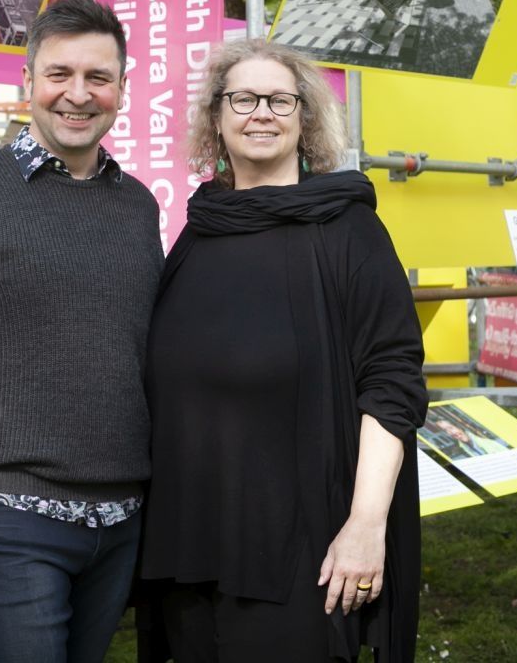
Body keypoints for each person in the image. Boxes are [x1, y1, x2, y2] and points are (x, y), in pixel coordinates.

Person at [140, 39, 428, 662]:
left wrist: (366, 524)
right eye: (243, 99)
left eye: (280, 100)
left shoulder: (347, 228)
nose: (261, 114)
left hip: (299, 545)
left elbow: (392, 383)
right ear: (217, 116)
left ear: (305, 118)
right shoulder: (201, 227)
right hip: (190, 540)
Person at [0, 0, 163, 663]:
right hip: (11, 517)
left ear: (122, 87)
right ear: (28, 81)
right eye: (59, 74)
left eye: (98, 77)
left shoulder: (138, 206)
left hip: (121, 518)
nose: (78, 94)